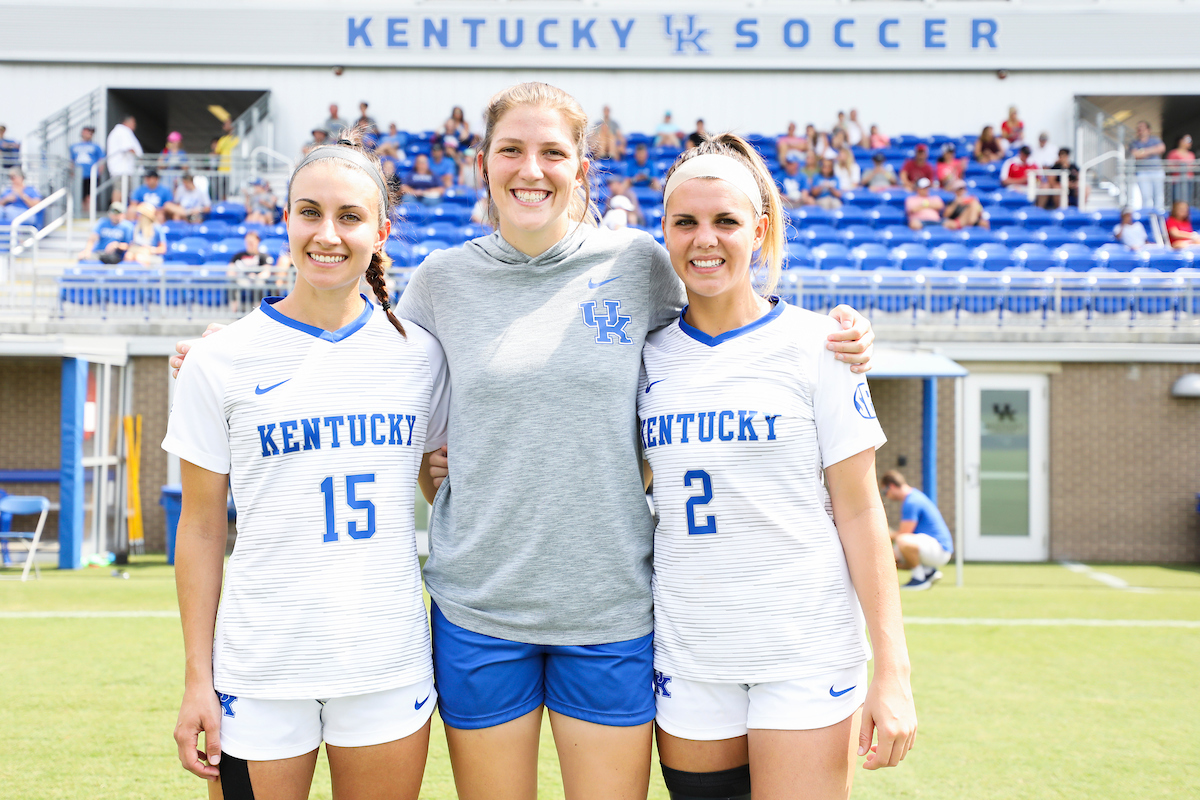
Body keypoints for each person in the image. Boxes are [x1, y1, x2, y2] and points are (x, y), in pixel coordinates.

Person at [171, 81, 877, 800]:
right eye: (511, 149)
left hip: (610, 608)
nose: (530, 169)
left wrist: (837, 334)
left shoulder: (639, 265)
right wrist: (226, 353)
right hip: (479, 611)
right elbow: (363, 362)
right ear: (484, 163)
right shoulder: (441, 281)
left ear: (582, 168)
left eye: (552, 152)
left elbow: (726, 312)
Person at [166, 137, 448, 800]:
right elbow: (201, 527)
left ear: (381, 232)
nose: (328, 234)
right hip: (259, 667)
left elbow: (443, 487)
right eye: (310, 212)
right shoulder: (220, 360)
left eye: (350, 217)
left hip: (386, 662)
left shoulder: (422, 355)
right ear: (284, 220)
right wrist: (197, 677)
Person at [643, 133, 916, 800]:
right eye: (686, 222)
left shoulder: (821, 345)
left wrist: (894, 671)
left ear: (759, 230)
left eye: (726, 221)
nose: (705, 240)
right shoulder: (644, 355)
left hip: (805, 650)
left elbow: (861, 511)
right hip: (690, 652)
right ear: (665, 233)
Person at [880, 470, 953, 591]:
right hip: (933, 549)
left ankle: (919, 578)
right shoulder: (913, 497)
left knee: (902, 540)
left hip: (940, 550)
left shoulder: (911, 501)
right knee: (888, 557)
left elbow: (904, 534)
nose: (886, 496)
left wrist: (882, 535)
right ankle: (928, 571)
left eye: (885, 492)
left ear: (891, 486)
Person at [106, 115, 143, 203]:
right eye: (133, 122)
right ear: (127, 122)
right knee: (120, 189)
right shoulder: (122, 131)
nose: (135, 125)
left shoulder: (120, 131)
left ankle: (119, 208)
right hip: (122, 168)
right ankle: (115, 209)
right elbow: (128, 147)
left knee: (124, 190)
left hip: (124, 168)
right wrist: (139, 158)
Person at [1130, 121, 1166, 211]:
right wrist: (1153, 150)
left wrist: (1143, 151)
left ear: (1148, 130)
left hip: (1157, 171)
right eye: (1139, 129)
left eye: (1143, 128)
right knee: (1146, 196)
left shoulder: (1155, 139)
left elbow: (1161, 148)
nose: (1140, 130)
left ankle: (1158, 214)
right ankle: (1147, 215)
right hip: (1143, 172)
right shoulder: (1134, 142)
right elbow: (1136, 155)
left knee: (1158, 196)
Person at [69, 125, 104, 212]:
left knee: (90, 196)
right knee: (81, 196)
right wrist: (72, 172)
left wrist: (99, 172)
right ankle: (83, 213)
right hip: (79, 176)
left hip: (91, 175)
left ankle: (89, 214)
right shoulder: (74, 147)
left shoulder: (96, 146)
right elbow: (72, 161)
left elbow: (101, 160)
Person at [1166, 133, 1195, 204]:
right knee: (1178, 200)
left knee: (1188, 200)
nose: (1190, 143)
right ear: (1181, 141)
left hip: (1189, 180)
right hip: (1177, 181)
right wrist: (1181, 169)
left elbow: (1193, 166)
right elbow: (1169, 166)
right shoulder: (1173, 153)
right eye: (1188, 140)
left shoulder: (1191, 154)